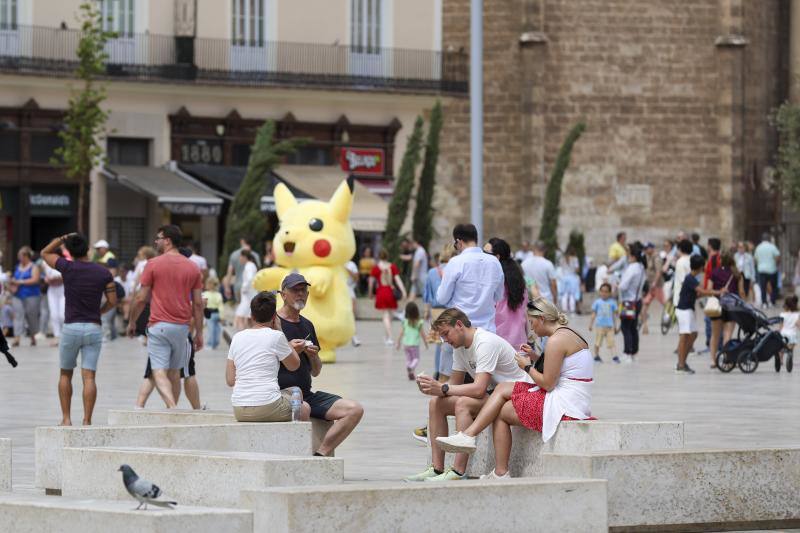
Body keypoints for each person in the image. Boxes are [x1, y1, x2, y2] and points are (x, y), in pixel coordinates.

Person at [434, 298, 593, 479]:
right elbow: (559, 370)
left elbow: (548, 383)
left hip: (565, 403)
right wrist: (535, 357)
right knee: (502, 402)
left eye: (532, 323)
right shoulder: (566, 334)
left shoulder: (556, 340)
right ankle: (496, 468)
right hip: (574, 399)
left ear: (541, 319)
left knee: (501, 401)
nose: (532, 329)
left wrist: (526, 366)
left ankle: (472, 439)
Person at [406, 308, 534, 482]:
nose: (445, 340)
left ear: (459, 325)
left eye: (446, 334)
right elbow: (453, 386)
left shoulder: (485, 342)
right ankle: (437, 468)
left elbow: (478, 389)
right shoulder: (459, 347)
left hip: (516, 394)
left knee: (463, 403)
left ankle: (458, 471)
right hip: (494, 395)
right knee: (436, 403)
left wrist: (443, 388)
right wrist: (432, 388)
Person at [277, 273, 364, 456]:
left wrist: (314, 356)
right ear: (283, 294)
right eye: (295, 290)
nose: (300, 294)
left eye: (303, 291)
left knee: (354, 410)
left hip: (306, 395)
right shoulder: (273, 324)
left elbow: (316, 372)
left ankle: (320, 454)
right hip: (280, 395)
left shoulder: (307, 325)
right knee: (300, 406)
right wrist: (289, 351)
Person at [41, 233, 116, 426]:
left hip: (71, 327)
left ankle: (66, 419)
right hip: (93, 327)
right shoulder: (103, 272)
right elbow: (113, 301)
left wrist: (62, 237)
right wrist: (99, 312)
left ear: (70, 253)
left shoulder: (67, 267)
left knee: (65, 373)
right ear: (88, 250)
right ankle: (87, 420)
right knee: (89, 376)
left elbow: (45, 252)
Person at [128, 225, 204, 408]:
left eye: (158, 238)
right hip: (182, 327)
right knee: (175, 373)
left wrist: (132, 321)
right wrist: (199, 332)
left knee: (158, 370)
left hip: (159, 325)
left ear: (168, 240)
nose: (156, 241)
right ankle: (172, 412)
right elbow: (199, 303)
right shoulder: (193, 267)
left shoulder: (153, 264)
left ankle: (172, 407)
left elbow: (140, 299)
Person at [226, 291, 303, 422]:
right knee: (300, 399)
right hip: (268, 405)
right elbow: (294, 365)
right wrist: (279, 329)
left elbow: (230, 380)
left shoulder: (237, 338)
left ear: (251, 315)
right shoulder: (276, 336)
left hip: (239, 408)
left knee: (290, 393)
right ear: (274, 316)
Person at [438, 224, 504, 332]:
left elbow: (442, 298)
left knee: (446, 348)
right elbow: (498, 296)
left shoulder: (455, 262)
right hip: (487, 330)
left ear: (459, 242)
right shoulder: (494, 262)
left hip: (461, 330)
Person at [675, 255, 726, 375]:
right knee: (684, 337)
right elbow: (702, 291)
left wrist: (713, 294)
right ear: (700, 267)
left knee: (693, 334)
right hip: (684, 310)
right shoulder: (690, 279)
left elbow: (699, 294)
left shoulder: (692, 279)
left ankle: (682, 362)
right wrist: (718, 291)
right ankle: (680, 365)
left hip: (689, 310)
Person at [485, 238, 528, 348]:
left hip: (497, 341)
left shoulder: (494, 279)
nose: (482, 256)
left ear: (497, 257)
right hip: (519, 341)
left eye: (486, 253)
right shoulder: (518, 279)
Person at [707, 253, 744, 369]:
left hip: (717, 306)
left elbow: (709, 290)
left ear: (721, 260)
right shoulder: (737, 274)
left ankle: (713, 361)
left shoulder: (714, 272)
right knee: (727, 334)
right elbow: (741, 292)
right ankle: (726, 360)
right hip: (732, 307)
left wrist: (718, 291)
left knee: (715, 335)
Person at [369, 249, 406, 344]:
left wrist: (370, 293)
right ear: (387, 256)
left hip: (381, 292)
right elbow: (398, 280)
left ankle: (390, 338)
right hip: (390, 292)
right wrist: (403, 291)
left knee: (385, 315)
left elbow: (371, 282)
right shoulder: (392, 267)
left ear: (379, 257)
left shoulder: (376, 268)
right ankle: (387, 337)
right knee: (389, 316)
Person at [618, 243, 646, 363]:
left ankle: (627, 353)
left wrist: (617, 285)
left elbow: (623, 286)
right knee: (633, 327)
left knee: (626, 327)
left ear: (633, 256)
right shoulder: (641, 267)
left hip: (628, 302)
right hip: (637, 300)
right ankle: (634, 352)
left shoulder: (632, 268)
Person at [9, 246, 41, 347]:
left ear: (26, 256)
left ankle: (32, 336)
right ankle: (17, 337)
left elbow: (35, 279)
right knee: (18, 315)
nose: (19, 258)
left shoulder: (34, 266)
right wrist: (12, 284)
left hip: (31, 295)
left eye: (21, 256)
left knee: (31, 316)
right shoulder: (17, 266)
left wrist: (20, 282)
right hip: (17, 295)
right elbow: (14, 278)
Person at [396, 301, 428, 380]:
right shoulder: (419, 322)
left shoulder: (405, 322)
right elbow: (423, 334)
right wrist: (426, 343)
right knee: (416, 359)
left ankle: (411, 373)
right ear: (416, 312)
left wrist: (398, 342)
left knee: (408, 359)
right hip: (414, 345)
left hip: (406, 344)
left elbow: (401, 333)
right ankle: (411, 367)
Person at [589, 283, 618, 363]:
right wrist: (591, 324)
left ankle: (614, 356)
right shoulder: (597, 302)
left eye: (606, 292)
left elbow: (614, 316)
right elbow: (594, 314)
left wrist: (615, 326)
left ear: (609, 293)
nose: (604, 293)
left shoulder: (612, 302)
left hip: (610, 327)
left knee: (611, 342)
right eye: (602, 291)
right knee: (598, 342)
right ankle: (596, 356)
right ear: (600, 292)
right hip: (599, 326)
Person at [224, 237, 261, 302]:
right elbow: (259, 273)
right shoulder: (255, 255)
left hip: (238, 286)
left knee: (241, 307)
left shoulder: (234, 254)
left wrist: (227, 287)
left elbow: (229, 272)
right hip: (251, 288)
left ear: (242, 241)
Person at [640, 242, 665, 334]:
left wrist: (654, 283)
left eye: (647, 248)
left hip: (657, 286)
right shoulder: (648, 257)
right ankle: (645, 327)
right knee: (644, 305)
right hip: (651, 286)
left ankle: (674, 319)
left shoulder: (657, 258)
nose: (645, 250)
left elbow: (659, 272)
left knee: (665, 304)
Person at [42, 253, 65, 347]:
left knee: (62, 315)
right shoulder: (45, 263)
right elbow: (45, 277)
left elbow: (66, 276)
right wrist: (47, 279)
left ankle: (64, 336)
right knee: (53, 314)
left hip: (62, 289)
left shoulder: (64, 263)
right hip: (52, 290)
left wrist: (58, 278)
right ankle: (57, 336)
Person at [754, 233, 781, 308]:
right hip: (772, 269)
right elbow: (778, 257)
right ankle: (772, 301)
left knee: (763, 287)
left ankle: (764, 302)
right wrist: (776, 264)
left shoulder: (758, 247)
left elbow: (755, 259)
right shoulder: (772, 247)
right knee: (774, 286)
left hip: (761, 270)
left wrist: (760, 264)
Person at [234, 250, 258, 331]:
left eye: (240, 257)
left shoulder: (249, 266)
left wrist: (244, 288)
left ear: (244, 257)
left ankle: (242, 338)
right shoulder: (250, 265)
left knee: (240, 317)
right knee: (248, 319)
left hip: (248, 296)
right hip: (248, 296)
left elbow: (250, 279)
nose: (239, 259)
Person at [558, 246, 581, 315]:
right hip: (572, 278)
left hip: (564, 278)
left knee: (564, 295)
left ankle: (564, 310)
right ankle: (572, 311)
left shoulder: (562, 259)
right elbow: (577, 270)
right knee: (572, 295)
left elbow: (561, 268)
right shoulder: (575, 259)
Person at [202, 277, 223, 350]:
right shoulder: (218, 295)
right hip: (217, 313)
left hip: (209, 314)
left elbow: (203, 305)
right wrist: (222, 316)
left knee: (211, 329)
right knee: (217, 329)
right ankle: (216, 343)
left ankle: (210, 344)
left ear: (208, 285)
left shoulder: (205, 294)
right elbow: (221, 306)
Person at [345, 257, 361, 347]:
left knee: (351, 314)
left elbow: (356, 278)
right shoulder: (334, 264)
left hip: (349, 289)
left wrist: (346, 269)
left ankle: (354, 337)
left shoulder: (351, 264)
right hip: (337, 292)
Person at [779, 295, 799, 366]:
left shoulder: (782, 314)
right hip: (792, 335)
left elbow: (781, 326)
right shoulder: (797, 315)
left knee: (781, 347)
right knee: (790, 348)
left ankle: (780, 359)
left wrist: (779, 333)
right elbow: (798, 324)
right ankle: (790, 356)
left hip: (783, 334)